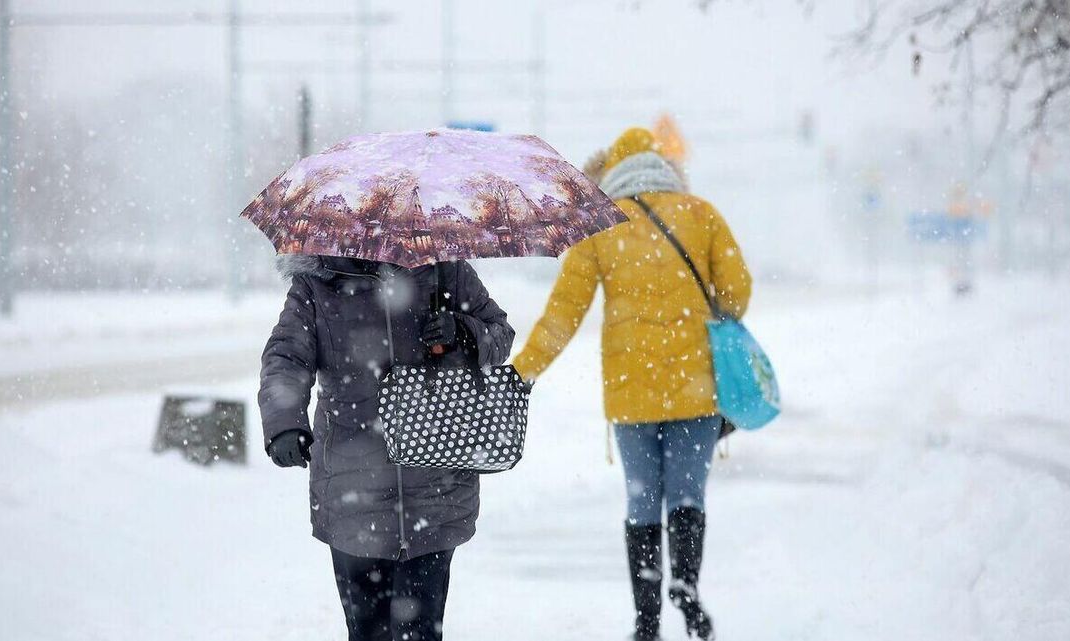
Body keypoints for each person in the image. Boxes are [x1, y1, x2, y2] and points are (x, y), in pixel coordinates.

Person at [513, 128, 751, 641]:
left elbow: (563, 314)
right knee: (686, 495)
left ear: (608, 174)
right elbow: (737, 293)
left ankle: (646, 622)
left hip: (631, 393)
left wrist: (524, 371)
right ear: (665, 168)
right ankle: (685, 581)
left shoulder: (601, 229)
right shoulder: (701, 214)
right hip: (694, 390)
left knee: (642, 502)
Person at [259, 255, 514, 641]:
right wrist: (284, 422)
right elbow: (286, 355)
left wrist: (463, 331)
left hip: (434, 482)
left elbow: (500, 334)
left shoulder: (445, 270)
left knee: (420, 631)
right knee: (367, 631)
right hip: (353, 488)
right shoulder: (316, 283)